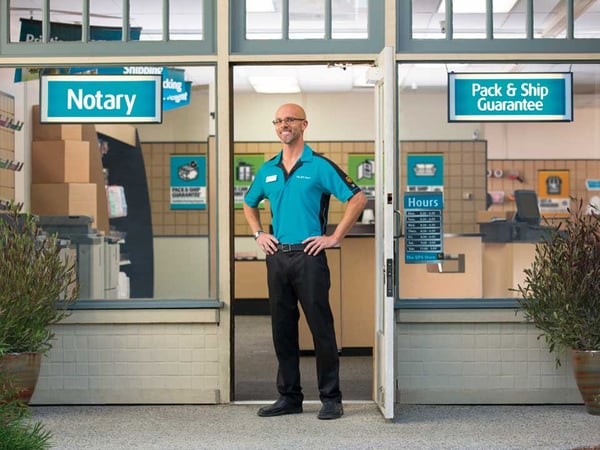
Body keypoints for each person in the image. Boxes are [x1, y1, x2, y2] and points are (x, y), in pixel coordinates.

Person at [243, 103, 367, 420]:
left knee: (320, 328)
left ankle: (331, 398)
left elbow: (358, 198)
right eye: (279, 121)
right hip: (277, 256)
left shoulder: (320, 165)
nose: (284, 125)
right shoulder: (267, 169)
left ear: (304, 124)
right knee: (282, 329)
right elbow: (248, 203)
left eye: (290, 120)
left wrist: (335, 236)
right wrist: (259, 234)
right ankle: (289, 397)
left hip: (309, 256)